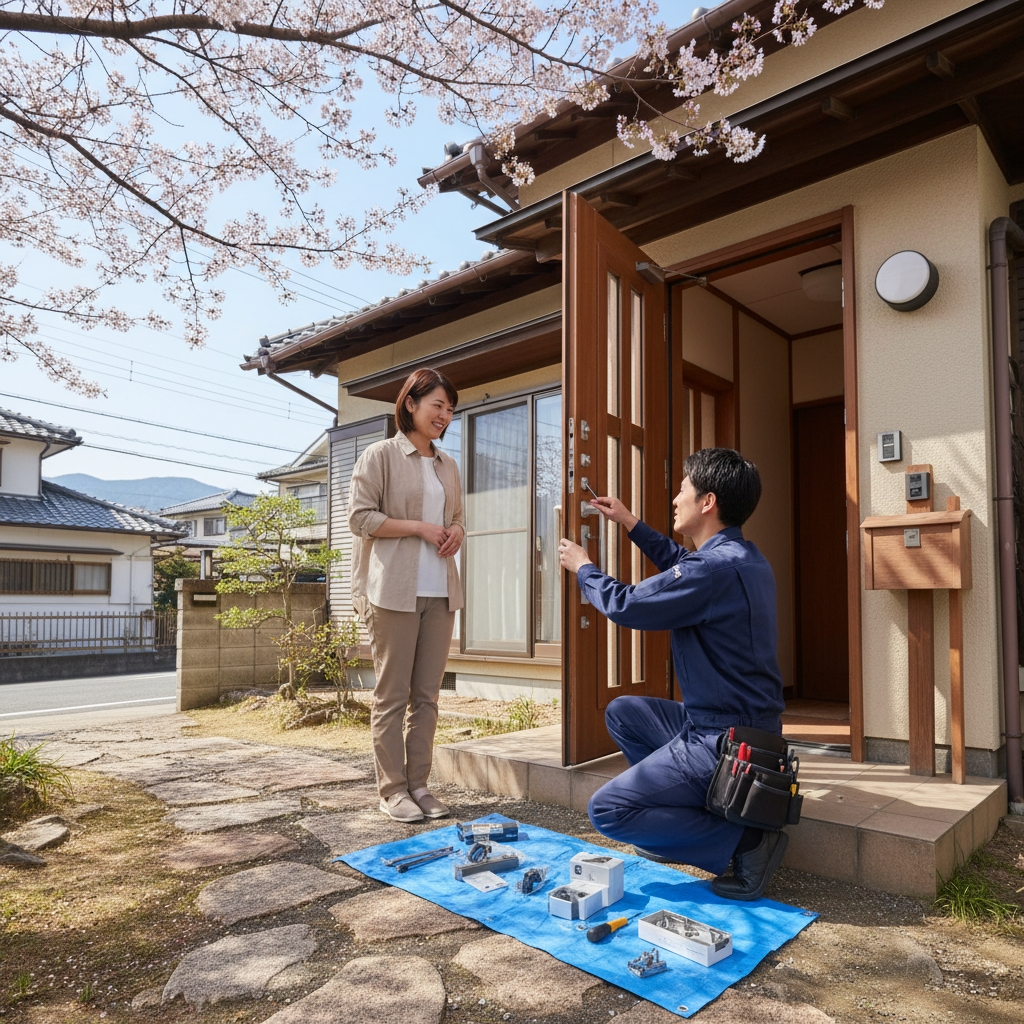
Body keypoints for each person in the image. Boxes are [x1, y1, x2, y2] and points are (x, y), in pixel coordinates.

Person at [557, 447, 787, 900]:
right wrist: (629, 521)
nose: (676, 499)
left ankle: (747, 842)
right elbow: (680, 563)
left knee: (608, 810)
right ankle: (684, 820)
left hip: (724, 741)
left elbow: (627, 605)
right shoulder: (742, 557)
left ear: (708, 502)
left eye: (683, 489)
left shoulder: (713, 569)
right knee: (623, 712)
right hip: (738, 728)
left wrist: (584, 568)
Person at [348, 368, 464, 823]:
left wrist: (457, 531)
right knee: (392, 696)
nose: (445, 415)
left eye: (450, 409)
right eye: (437, 405)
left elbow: (457, 519)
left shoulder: (448, 464)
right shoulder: (380, 455)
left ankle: (419, 785)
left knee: (427, 697)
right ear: (410, 404)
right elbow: (360, 518)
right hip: (393, 590)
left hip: (441, 591)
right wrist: (418, 527)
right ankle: (392, 790)